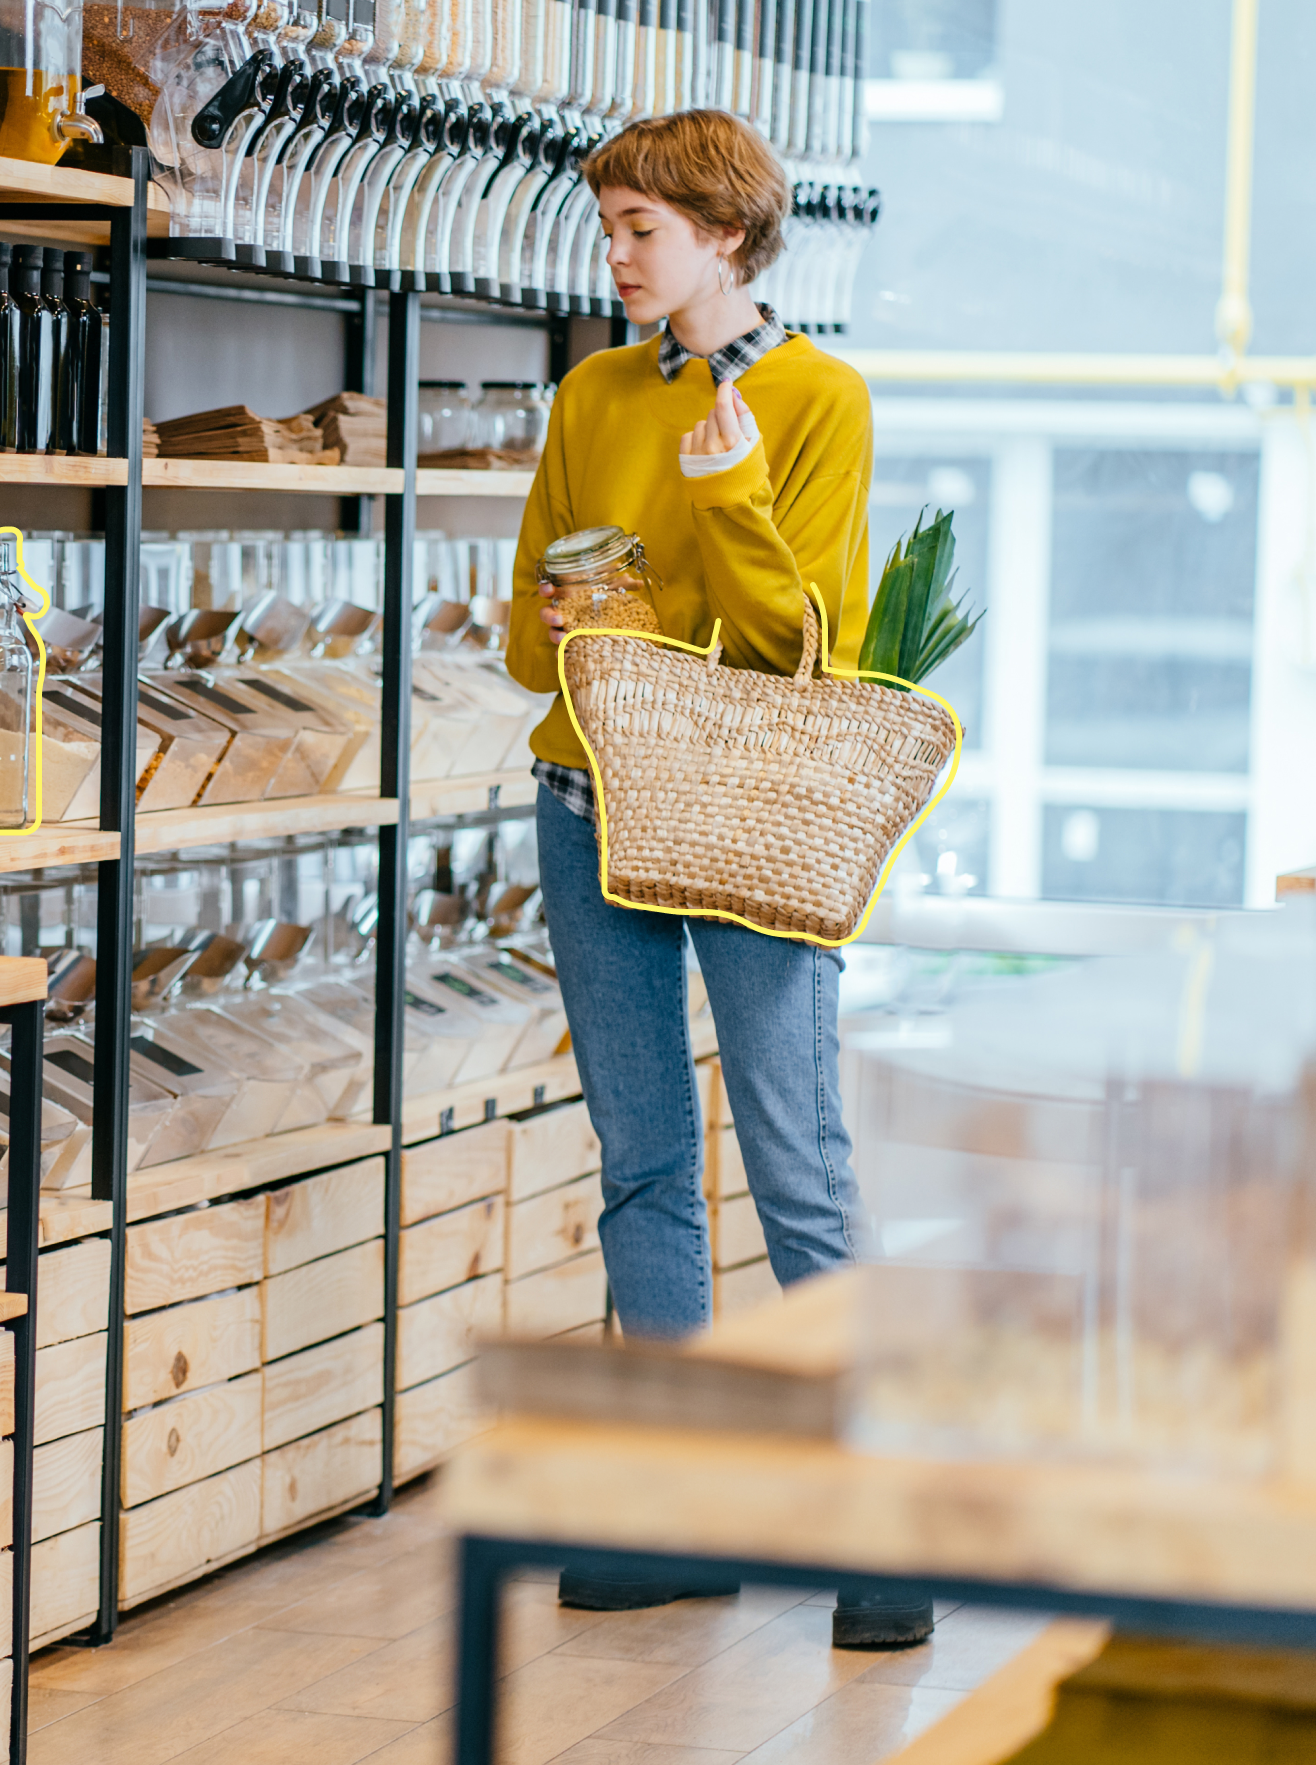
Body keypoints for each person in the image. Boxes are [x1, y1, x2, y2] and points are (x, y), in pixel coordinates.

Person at [504, 109, 932, 1648]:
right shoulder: (590, 390)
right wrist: (556, 624)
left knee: (795, 1157)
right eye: (608, 226)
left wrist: (730, 486)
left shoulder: (819, 398)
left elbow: (789, 640)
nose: (613, 256)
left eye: (639, 229)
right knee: (639, 1160)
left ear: (727, 238)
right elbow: (520, 632)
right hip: (586, 799)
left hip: (752, 812)